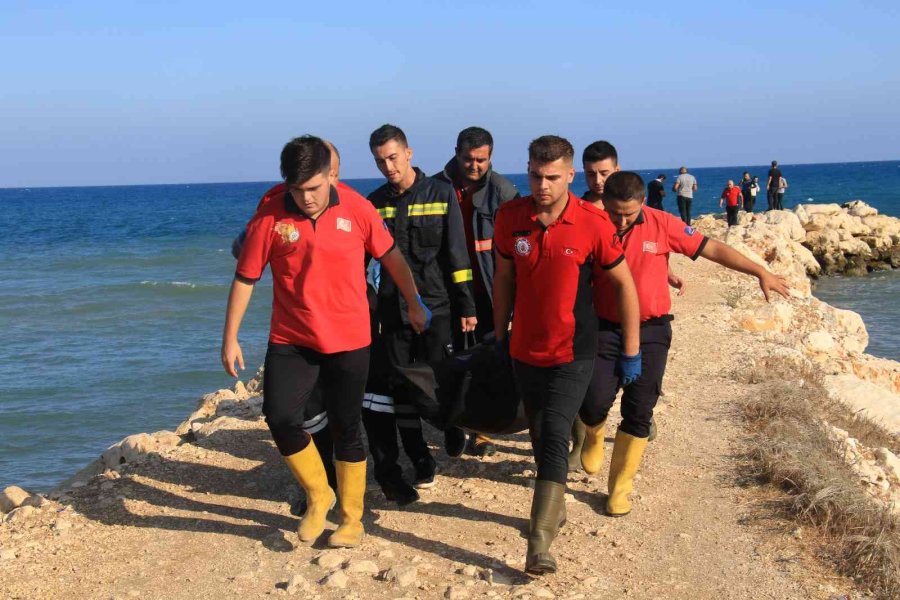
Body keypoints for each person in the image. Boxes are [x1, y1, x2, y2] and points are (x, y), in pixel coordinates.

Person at [222, 135, 428, 547]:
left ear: (329, 174)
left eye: (314, 188)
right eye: (297, 190)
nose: (307, 198)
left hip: (350, 338)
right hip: (292, 337)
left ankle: (352, 519)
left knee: (347, 427)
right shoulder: (270, 216)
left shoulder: (358, 208)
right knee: (280, 417)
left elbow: (392, 259)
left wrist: (414, 303)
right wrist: (230, 338)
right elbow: (246, 278)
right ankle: (319, 494)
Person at [579, 171, 790, 519]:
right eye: (614, 212)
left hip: (652, 330)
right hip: (604, 327)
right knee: (593, 400)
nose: (620, 220)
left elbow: (714, 248)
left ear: (642, 203)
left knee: (640, 408)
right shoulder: (596, 224)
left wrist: (759, 272)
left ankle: (619, 489)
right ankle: (593, 431)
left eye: (628, 214)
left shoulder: (663, 224)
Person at [492, 135, 641, 574]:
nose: (542, 185)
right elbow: (503, 280)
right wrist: (498, 335)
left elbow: (624, 286)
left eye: (552, 177)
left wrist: (630, 350)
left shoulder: (592, 223)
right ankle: (553, 508)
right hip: (525, 350)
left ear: (570, 176)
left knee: (556, 433)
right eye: (535, 176)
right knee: (541, 437)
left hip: (574, 351)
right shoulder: (510, 218)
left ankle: (538, 544)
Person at [364, 124, 477, 503]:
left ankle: (450, 424)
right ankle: (420, 459)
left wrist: (467, 306)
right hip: (393, 313)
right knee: (400, 390)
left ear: (409, 153)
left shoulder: (440, 193)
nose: (388, 167)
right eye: (380, 161)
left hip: (437, 308)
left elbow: (457, 255)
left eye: (393, 158)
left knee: (437, 382)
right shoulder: (373, 203)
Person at [231, 141, 345, 504]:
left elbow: (381, 256)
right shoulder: (275, 201)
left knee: (343, 411)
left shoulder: (353, 204)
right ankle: (317, 487)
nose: (313, 190)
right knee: (300, 411)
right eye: (302, 184)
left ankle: (349, 487)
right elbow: (246, 247)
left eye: (330, 175)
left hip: (344, 328)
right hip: (297, 327)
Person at [433, 126, 519, 457]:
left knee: (488, 361)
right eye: (468, 159)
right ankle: (452, 425)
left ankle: (482, 431)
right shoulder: (436, 187)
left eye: (482, 160)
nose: (475, 166)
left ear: (491, 157)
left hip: (489, 291)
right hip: (447, 292)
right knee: (448, 361)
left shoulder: (503, 191)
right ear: (456, 153)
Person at [581, 140, 620, 208]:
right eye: (591, 174)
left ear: (617, 171)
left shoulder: (633, 209)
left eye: (604, 173)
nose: (597, 181)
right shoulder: (576, 211)